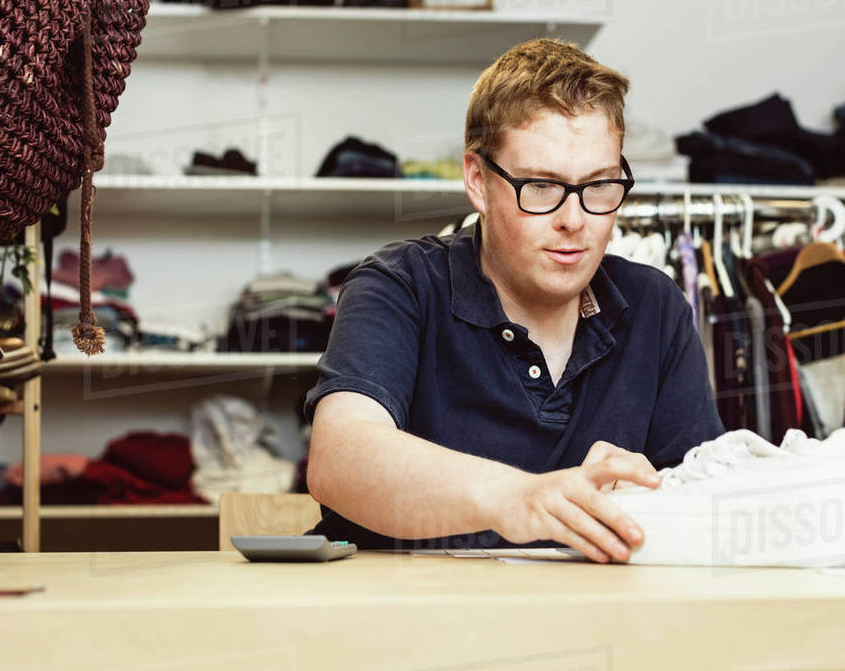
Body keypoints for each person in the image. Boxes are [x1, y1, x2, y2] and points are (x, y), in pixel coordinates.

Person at [304, 38, 723, 562]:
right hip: (410, 629)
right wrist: (517, 499)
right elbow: (340, 460)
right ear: (478, 181)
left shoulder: (653, 307)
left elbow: (707, 501)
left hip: (595, 631)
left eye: (599, 186)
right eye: (542, 187)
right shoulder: (401, 285)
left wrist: (651, 503)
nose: (575, 220)